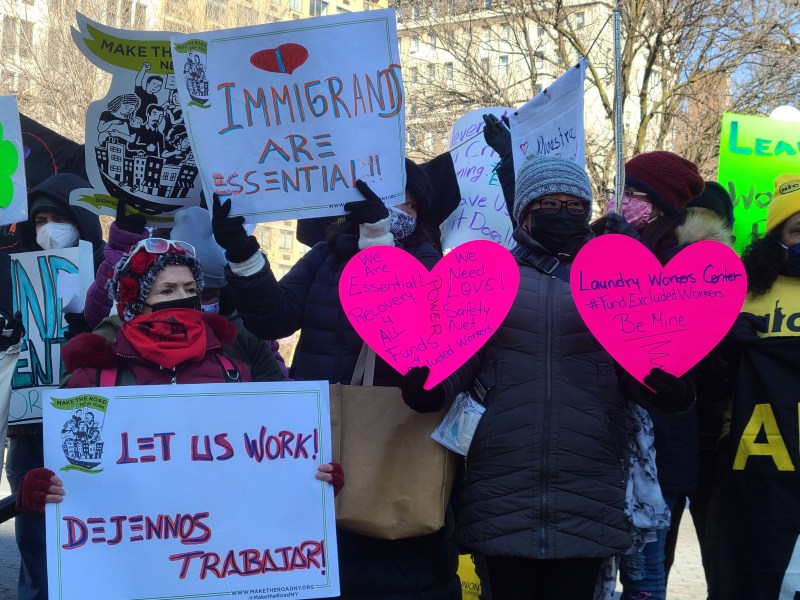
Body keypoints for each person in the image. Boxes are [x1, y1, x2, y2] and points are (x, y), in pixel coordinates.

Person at [401, 155, 693, 600]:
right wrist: (429, 387)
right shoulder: (490, 277)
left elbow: (637, 362)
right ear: (525, 213)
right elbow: (462, 355)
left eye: (575, 205)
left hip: (588, 476)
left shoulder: (613, 280)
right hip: (501, 476)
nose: (563, 213)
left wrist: (669, 391)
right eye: (549, 204)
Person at [211, 169, 461, 599]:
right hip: (320, 441)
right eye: (381, 200)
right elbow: (274, 318)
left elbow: (420, 331)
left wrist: (378, 243)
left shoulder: (429, 261)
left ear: (419, 212)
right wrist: (243, 253)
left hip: (397, 443)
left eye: (403, 202)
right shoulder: (324, 257)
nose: (392, 210)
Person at [14, 237, 343, 526]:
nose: (183, 299)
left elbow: (271, 455)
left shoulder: (233, 370)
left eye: (190, 289)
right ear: (136, 303)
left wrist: (311, 478)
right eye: (167, 290)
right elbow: (70, 471)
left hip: (216, 550)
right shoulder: (95, 377)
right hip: (132, 548)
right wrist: (42, 490)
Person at [5, 173, 104, 600]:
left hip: (90, 422)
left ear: (81, 222)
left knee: (91, 529)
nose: (49, 229)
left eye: (59, 219)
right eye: (40, 220)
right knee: (34, 535)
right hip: (28, 426)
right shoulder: (13, 275)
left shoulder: (112, 273)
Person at [709, 174, 800, 600]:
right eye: (798, 230)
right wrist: (725, 346)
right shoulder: (741, 292)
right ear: (776, 238)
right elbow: (706, 380)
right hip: (755, 464)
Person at [660, 181, 736, 592]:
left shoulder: (656, 269)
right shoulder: (743, 282)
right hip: (709, 439)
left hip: (682, 441)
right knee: (720, 563)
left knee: (654, 562)